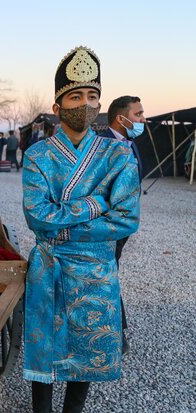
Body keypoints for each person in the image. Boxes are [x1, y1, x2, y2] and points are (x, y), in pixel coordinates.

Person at [22, 46, 140, 413]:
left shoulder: (118, 155)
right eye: (75, 96)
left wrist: (63, 224)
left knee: (88, 351)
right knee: (44, 356)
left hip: (96, 271)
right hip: (49, 269)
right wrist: (97, 203)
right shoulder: (37, 156)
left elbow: (126, 219)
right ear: (58, 107)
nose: (85, 104)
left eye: (92, 96)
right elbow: (37, 217)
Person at [100, 95, 146, 354]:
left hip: (123, 228)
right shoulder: (100, 146)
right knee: (108, 276)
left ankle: (115, 332)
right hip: (105, 227)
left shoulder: (131, 144)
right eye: (138, 114)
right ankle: (116, 334)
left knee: (110, 275)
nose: (142, 120)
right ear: (121, 118)